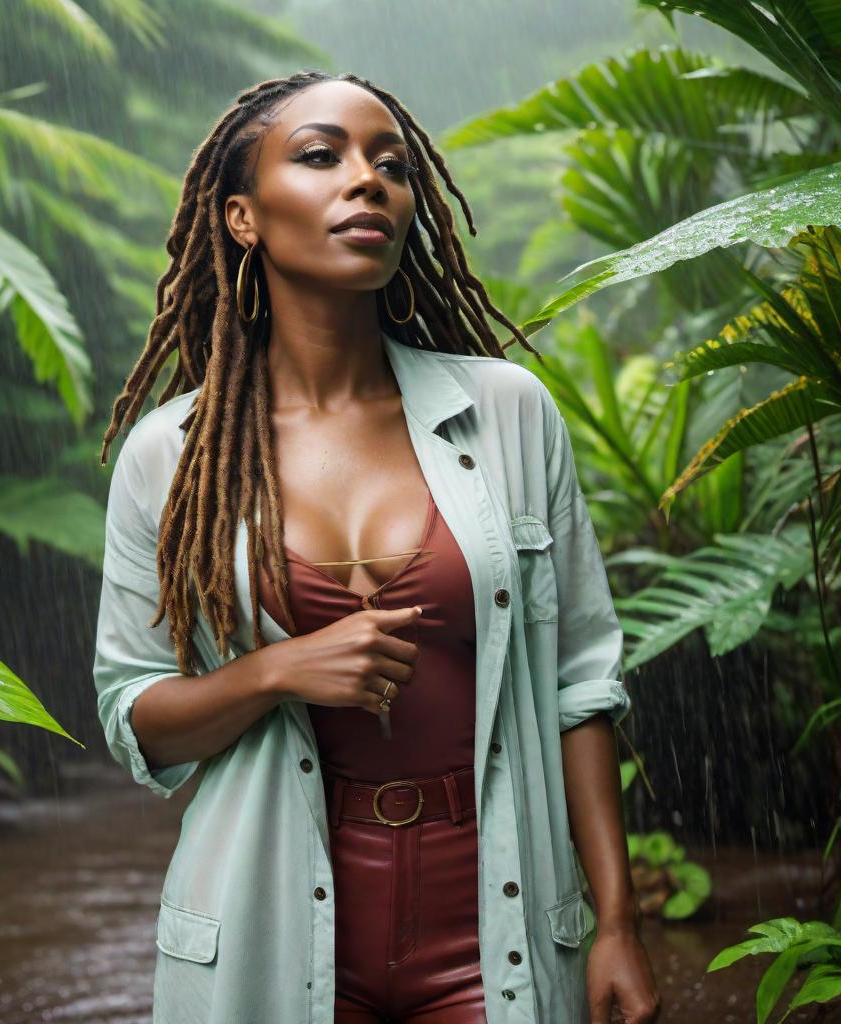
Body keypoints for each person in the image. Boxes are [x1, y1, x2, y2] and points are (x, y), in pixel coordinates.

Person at [93, 70, 660, 1024]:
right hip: (269, 921)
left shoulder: (508, 413)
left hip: (495, 920)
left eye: (391, 165)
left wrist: (617, 922)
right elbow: (135, 713)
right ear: (241, 217)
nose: (369, 182)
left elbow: (580, 686)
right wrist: (279, 672)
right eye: (323, 157)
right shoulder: (173, 458)